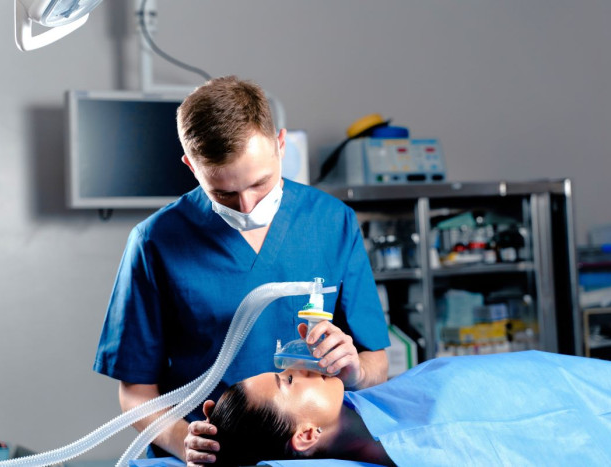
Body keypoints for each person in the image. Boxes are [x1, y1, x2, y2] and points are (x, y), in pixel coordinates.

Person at [93, 76, 390, 462]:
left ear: (280, 146)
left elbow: (377, 362)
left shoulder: (332, 223)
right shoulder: (155, 242)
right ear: (191, 167)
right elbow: (135, 390)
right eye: (225, 193)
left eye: (260, 184)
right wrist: (185, 441)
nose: (246, 206)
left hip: (310, 455)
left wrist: (354, 371)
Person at [199, 350, 611, 466]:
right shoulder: (423, 445)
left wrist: (357, 368)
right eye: (286, 382)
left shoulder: (368, 402)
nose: (298, 369)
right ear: (305, 437)